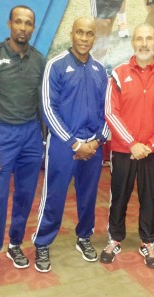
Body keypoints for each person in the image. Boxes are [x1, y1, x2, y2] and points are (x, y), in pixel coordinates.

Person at [32, 17, 109, 273]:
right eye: (80, 33)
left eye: (89, 34)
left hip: (93, 147)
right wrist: (75, 143)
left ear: (94, 37)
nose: (84, 38)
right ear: (71, 34)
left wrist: (98, 141)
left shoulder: (100, 69)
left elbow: (108, 110)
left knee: (88, 197)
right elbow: (47, 107)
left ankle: (84, 237)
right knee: (54, 196)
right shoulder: (56, 65)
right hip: (64, 146)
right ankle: (42, 242)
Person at [100, 23, 154, 268]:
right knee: (119, 197)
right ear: (132, 42)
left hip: (152, 152)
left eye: (149, 38)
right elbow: (110, 112)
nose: (144, 43)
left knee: (149, 198)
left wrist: (150, 145)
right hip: (124, 150)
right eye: (139, 38)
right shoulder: (118, 73)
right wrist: (133, 143)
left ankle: (148, 241)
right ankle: (114, 238)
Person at [0, 5, 45, 288]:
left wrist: (42, 139)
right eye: (18, 22)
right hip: (2, 134)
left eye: (28, 23)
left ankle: (15, 244)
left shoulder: (38, 60)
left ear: (32, 28)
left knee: (24, 195)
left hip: (31, 135)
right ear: (10, 24)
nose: (23, 27)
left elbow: (41, 103)